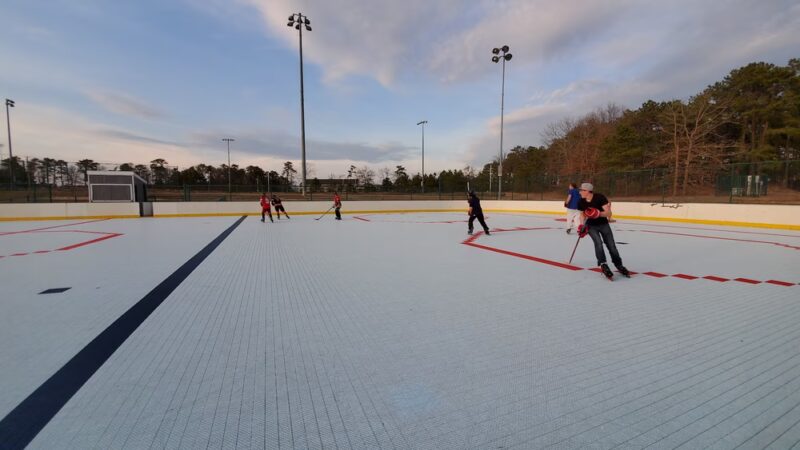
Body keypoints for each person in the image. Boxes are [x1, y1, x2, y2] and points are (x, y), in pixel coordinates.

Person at [577, 182, 630, 279]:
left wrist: (597, 213)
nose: (579, 192)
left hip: (603, 224)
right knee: (598, 243)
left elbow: (609, 213)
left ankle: (619, 264)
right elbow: (582, 214)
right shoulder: (581, 201)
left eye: (581, 190)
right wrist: (581, 225)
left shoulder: (600, 197)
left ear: (587, 191)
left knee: (611, 245)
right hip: (591, 226)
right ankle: (603, 264)